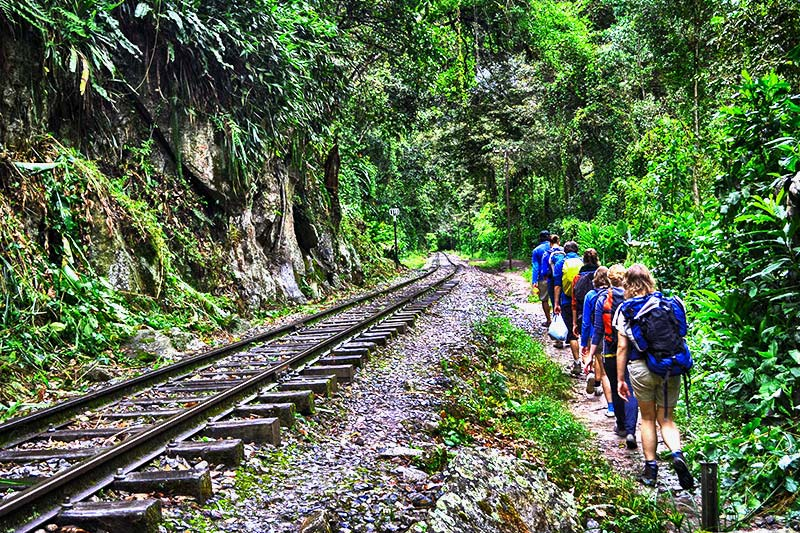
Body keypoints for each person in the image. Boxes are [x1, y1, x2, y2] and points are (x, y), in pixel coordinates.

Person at [614, 264, 693, 489]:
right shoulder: (668, 303)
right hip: (670, 366)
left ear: (627, 284)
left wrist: (620, 379)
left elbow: (621, 348)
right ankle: (677, 455)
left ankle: (651, 469)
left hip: (641, 368)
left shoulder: (625, 309)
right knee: (666, 419)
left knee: (647, 418)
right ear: (650, 281)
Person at [589, 264, 638, 448]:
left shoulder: (603, 299)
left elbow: (598, 330)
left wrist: (591, 353)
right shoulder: (632, 298)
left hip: (610, 350)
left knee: (618, 387)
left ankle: (621, 425)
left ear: (609, 279)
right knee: (631, 389)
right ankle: (632, 431)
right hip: (632, 352)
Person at [579, 266, 614, 414]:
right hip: (616, 337)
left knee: (604, 369)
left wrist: (583, 343)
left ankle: (611, 407)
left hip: (597, 336)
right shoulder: (616, 294)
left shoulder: (591, 295)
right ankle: (624, 407)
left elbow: (586, 322)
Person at [553, 241, 583, 375]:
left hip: (567, 301)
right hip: (583, 302)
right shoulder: (583, 262)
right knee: (587, 334)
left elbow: (557, 285)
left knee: (572, 333)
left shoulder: (560, 263)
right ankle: (592, 366)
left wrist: (556, 303)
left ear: (565, 251)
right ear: (577, 251)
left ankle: (577, 363)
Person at [541, 234, 564, 346]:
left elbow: (544, 272)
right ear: (558, 242)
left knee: (556, 306)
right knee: (564, 306)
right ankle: (569, 335)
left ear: (550, 243)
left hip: (552, 282)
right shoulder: (564, 252)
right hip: (564, 282)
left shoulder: (547, 254)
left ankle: (559, 339)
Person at [530, 230, 551, 327]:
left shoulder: (536, 250)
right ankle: (558, 320)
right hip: (556, 278)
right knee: (557, 300)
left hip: (543, 278)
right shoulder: (556, 248)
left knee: (544, 299)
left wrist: (534, 281)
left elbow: (536, 267)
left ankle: (549, 320)